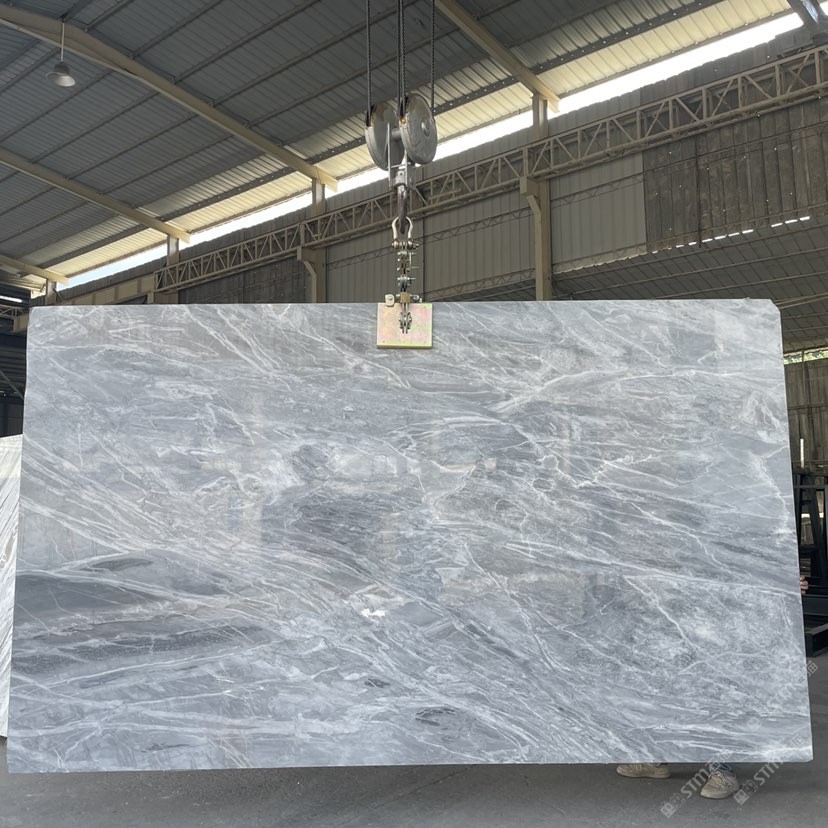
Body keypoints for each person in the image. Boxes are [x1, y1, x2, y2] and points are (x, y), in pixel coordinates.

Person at [616, 576, 809, 799]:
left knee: (718, 692)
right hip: (679, 607)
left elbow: (751, 565)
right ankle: (656, 759)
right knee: (669, 684)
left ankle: (723, 772)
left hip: (723, 619)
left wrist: (784, 582)